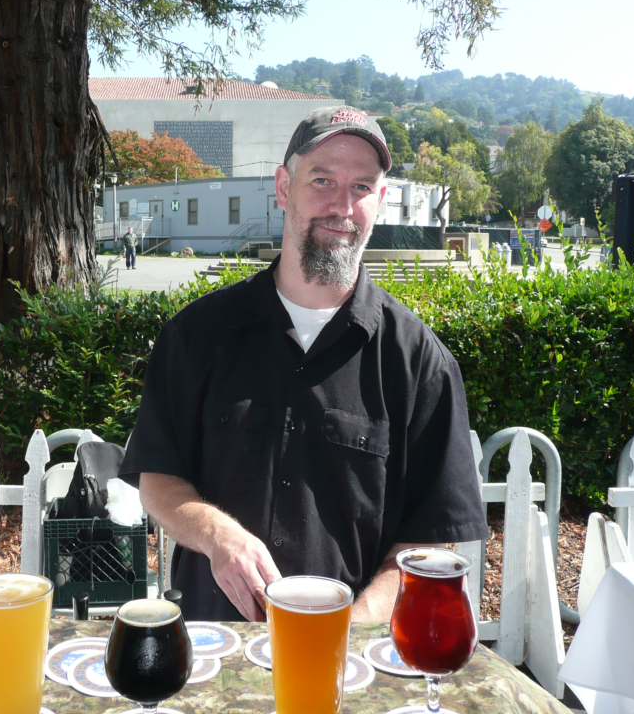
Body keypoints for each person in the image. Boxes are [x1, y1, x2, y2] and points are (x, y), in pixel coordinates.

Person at [120, 105, 488, 623]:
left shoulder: (420, 363)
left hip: (349, 653)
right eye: (322, 180)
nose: (342, 205)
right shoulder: (195, 336)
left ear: (380, 200)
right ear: (283, 187)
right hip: (216, 644)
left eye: (361, 186)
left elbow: (427, 540)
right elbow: (158, 480)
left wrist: (353, 625)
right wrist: (219, 535)